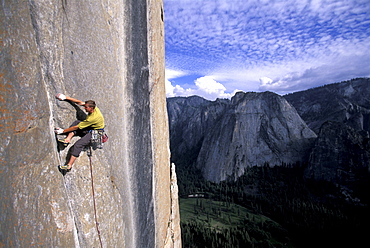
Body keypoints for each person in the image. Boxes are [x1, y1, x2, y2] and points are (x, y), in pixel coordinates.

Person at [54, 93, 105, 171]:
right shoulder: (94, 107)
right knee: (77, 122)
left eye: (86, 107)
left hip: (95, 133)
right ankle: (67, 140)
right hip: (91, 128)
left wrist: (62, 131)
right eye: (85, 106)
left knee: (78, 144)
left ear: (91, 108)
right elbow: (79, 102)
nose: (84, 108)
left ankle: (69, 166)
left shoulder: (93, 118)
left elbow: (76, 127)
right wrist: (65, 97)